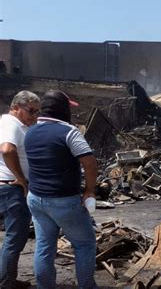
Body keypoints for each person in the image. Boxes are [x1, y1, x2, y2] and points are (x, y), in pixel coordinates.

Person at [25, 90, 98, 289]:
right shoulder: (69, 132)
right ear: (62, 110)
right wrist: (90, 191)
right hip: (63, 200)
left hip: (36, 198)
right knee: (84, 244)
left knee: (44, 246)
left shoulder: (30, 132)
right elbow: (90, 163)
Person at [0, 91, 40, 289]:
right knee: (15, 237)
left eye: (37, 112)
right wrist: (21, 178)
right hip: (11, 188)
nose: (34, 116)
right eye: (30, 111)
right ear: (16, 107)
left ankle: (7, 278)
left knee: (14, 236)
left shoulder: (17, 124)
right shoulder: (11, 123)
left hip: (9, 187)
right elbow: (7, 149)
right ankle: (6, 282)